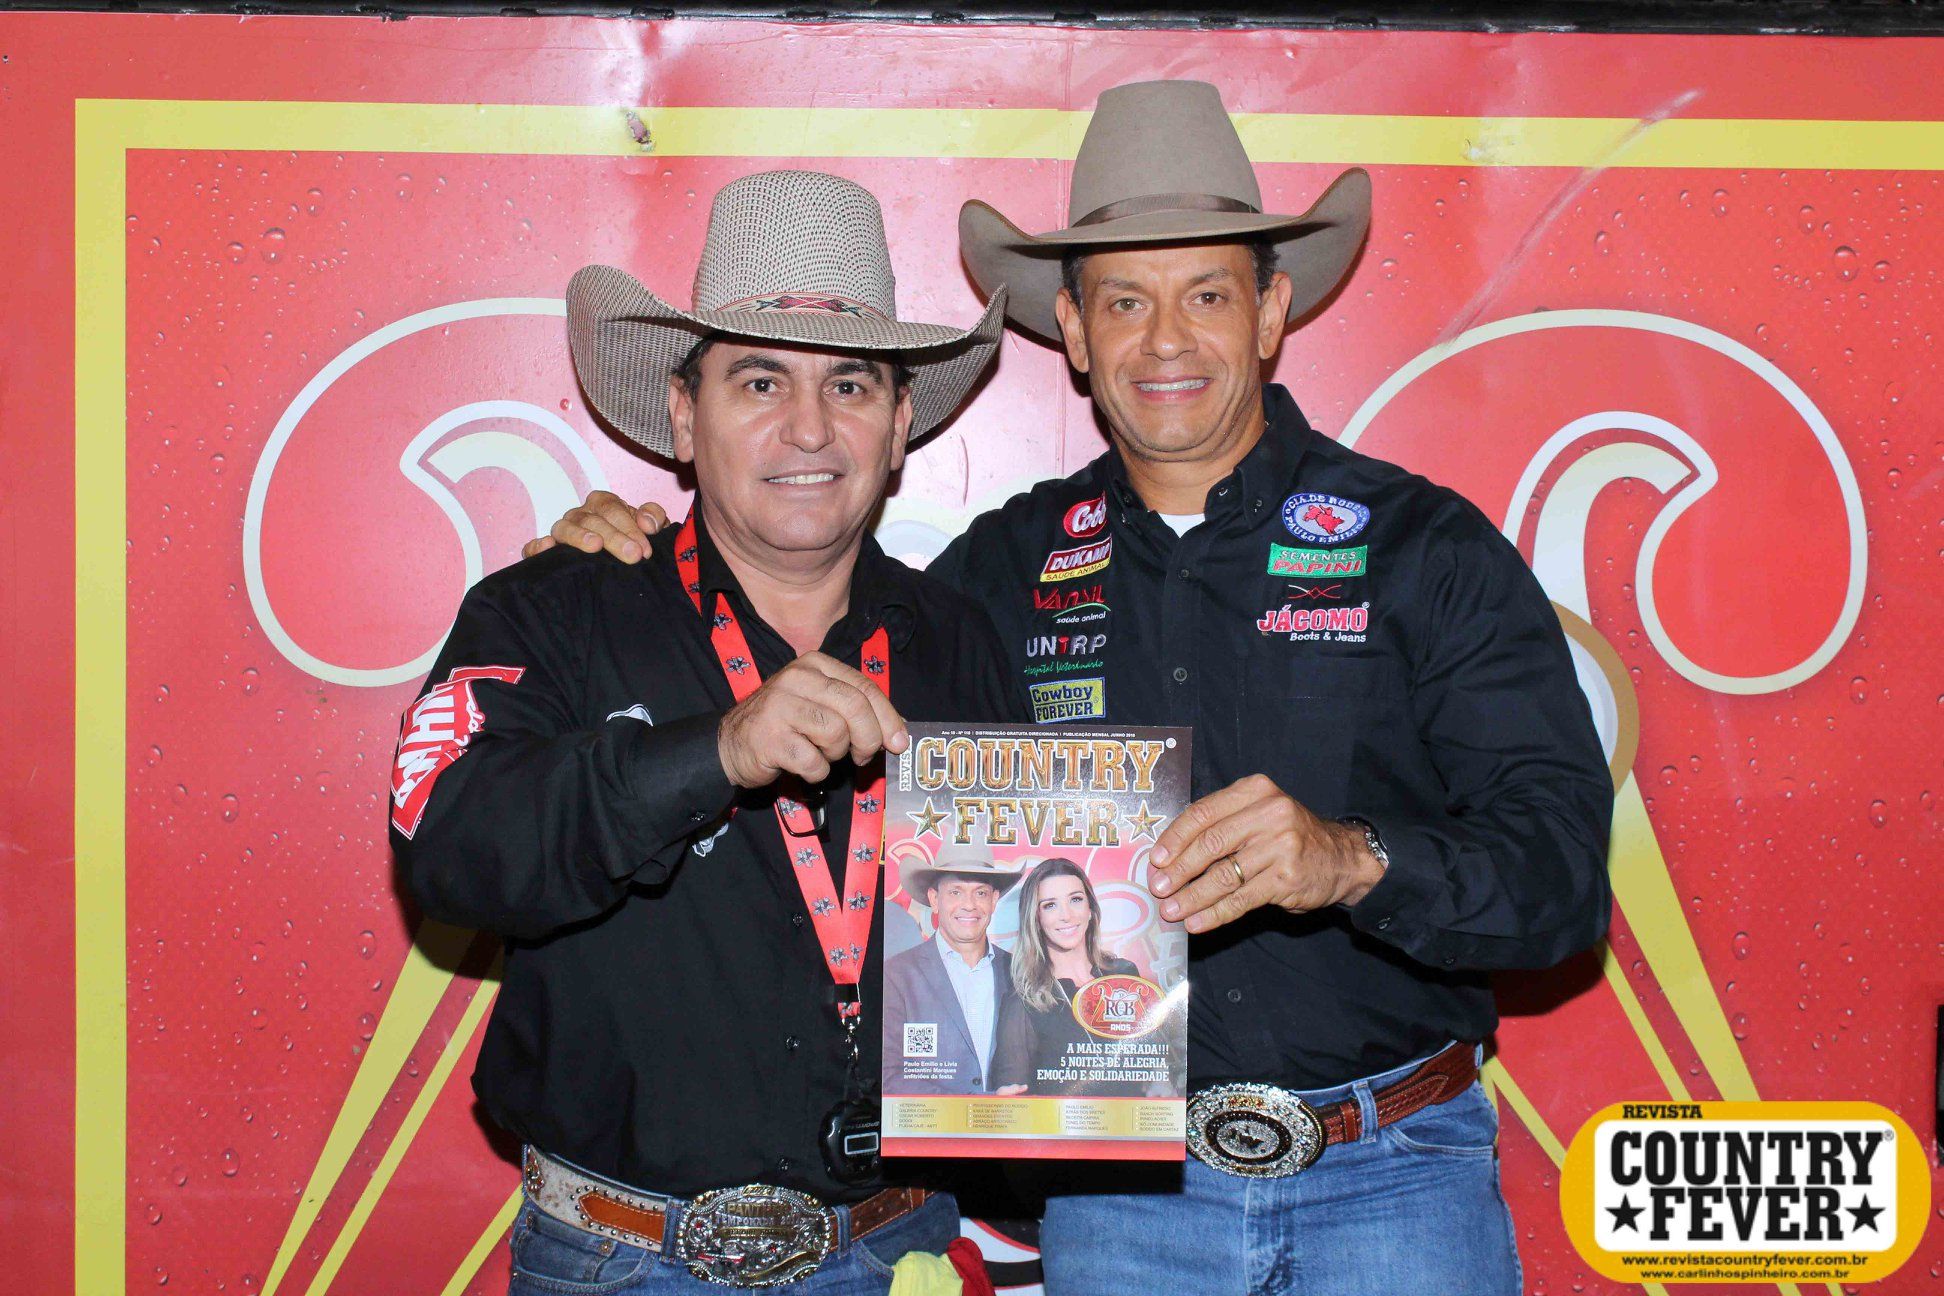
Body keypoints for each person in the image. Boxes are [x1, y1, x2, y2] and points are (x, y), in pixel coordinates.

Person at [528, 80, 1612, 1295]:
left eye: (1207, 295)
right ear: (1076, 331)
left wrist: (1353, 860)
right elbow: (788, 647)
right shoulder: (994, 574)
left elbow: (1563, 878)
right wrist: (622, 558)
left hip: (1395, 1174)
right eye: (1124, 301)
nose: (1165, 341)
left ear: (1271, 313)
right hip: (1119, 1202)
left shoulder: (1426, 547)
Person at [391, 169, 1021, 1294]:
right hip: (625, 1261)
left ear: (899, 426)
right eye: (761, 381)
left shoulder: (962, 637)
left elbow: (1032, 947)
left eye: (851, 386)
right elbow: (448, 849)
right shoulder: (550, 609)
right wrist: (714, 752)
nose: (810, 428)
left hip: (898, 1250)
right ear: (685, 418)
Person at [989, 858, 1139, 1097]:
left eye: (1075, 899)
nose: (1066, 915)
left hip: (1133, 1117)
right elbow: (1012, 1093)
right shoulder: (1023, 1002)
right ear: (1035, 919)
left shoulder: (1125, 973)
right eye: (1050, 905)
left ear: (1090, 909)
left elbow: (1154, 1057)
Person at [880, 848, 1021, 1096]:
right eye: (956, 892)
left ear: (994, 900)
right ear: (934, 899)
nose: (969, 905)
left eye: (980, 893)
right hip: (931, 1121)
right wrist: (974, 1104)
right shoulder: (897, 974)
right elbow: (888, 1076)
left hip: (1009, 1120)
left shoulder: (1019, 972)